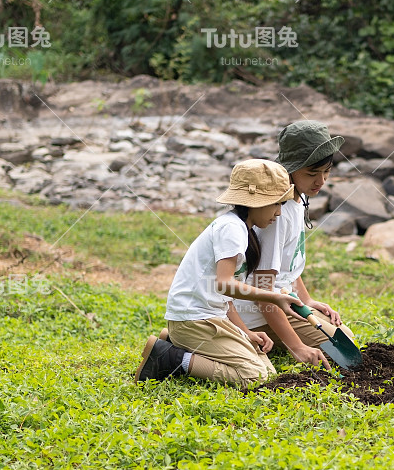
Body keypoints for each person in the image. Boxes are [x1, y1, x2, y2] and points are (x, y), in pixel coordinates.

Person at [135, 159, 314, 387]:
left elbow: (225, 299)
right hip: (194, 320)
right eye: (276, 204)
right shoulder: (231, 229)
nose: (279, 213)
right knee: (257, 377)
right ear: (254, 203)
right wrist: (274, 297)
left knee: (266, 366)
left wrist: (246, 332)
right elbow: (223, 284)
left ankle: (178, 343)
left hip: (210, 318)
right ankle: (172, 357)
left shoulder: (244, 230)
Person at [233, 120, 354, 365]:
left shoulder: (297, 200)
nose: (321, 181)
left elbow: (285, 267)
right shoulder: (276, 213)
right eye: (312, 173)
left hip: (280, 298)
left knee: (345, 336)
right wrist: (296, 346)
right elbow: (263, 289)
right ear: (291, 169)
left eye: (326, 171)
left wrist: (307, 300)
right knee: (341, 344)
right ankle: (230, 336)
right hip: (257, 310)